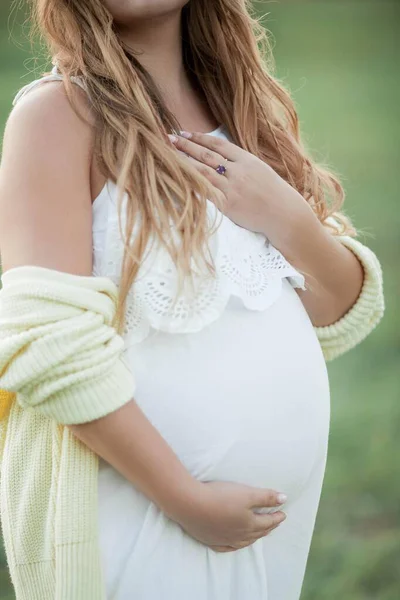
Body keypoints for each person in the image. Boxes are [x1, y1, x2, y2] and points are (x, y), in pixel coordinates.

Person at [0, 1, 384, 599]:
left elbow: (338, 311)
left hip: (267, 534)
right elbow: (46, 344)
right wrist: (186, 499)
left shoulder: (243, 115)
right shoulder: (59, 115)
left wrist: (289, 220)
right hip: (141, 513)